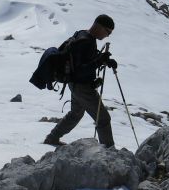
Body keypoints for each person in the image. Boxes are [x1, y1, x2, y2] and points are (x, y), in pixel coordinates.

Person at [43, 14, 118, 148]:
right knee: (103, 118)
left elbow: (86, 60)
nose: (108, 36)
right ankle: (109, 151)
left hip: (75, 84)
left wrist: (104, 59)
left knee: (75, 114)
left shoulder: (84, 35)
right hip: (82, 86)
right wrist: (99, 60)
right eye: (108, 32)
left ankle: (52, 138)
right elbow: (80, 70)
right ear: (99, 26)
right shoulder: (85, 41)